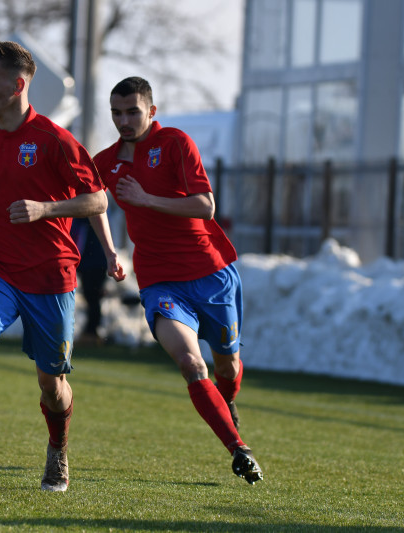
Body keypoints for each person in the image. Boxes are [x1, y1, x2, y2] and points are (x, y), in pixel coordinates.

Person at [0, 40, 124, 493]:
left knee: (51, 384)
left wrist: (46, 209)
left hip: (51, 274)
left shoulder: (55, 140)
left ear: (18, 85)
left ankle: (58, 450)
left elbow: (98, 199)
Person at [92, 76, 264, 485]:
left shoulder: (175, 143)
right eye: (116, 113)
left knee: (228, 362)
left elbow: (206, 206)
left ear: (151, 111)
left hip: (211, 274)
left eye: (133, 111)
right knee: (191, 362)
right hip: (159, 283)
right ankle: (239, 450)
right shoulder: (106, 161)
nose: (124, 120)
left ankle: (229, 402)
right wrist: (110, 250)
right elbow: (87, 200)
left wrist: (146, 199)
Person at [71, 217, 109, 346]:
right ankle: (91, 331)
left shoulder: (89, 217)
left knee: (93, 298)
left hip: (95, 263)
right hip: (88, 262)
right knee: (90, 298)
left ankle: (92, 332)